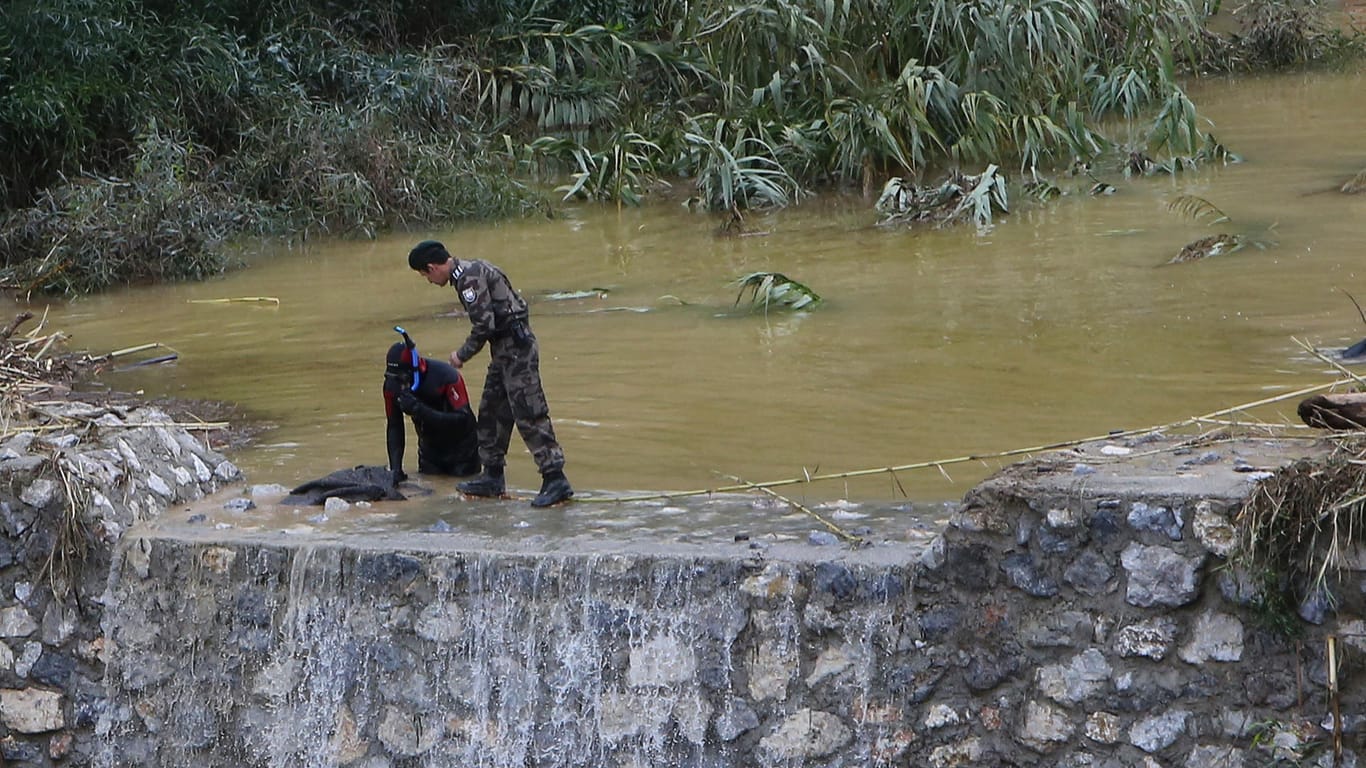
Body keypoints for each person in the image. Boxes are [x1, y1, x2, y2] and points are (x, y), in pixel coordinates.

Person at [407, 239, 574, 507]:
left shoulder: (468, 279)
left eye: (424, 274)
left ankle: (555, 478)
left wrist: (461, 355)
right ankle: (493, 476)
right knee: (491, 412)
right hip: (505, 351)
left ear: (432, 267)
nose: (427, 280)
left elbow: (485, 325)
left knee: (529, 413)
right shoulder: (471, 269)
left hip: (516, 350)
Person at [383, 335, 481, 484]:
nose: (398, 385)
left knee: (461, 495)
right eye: (392, 378)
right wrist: (396, 470)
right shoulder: (391, 386)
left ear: (415, 370)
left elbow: (463, 419)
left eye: (401, 379)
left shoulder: (446, 377)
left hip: (463, 449)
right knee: (432, 492)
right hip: (429, 451)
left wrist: (419, 409)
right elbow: (394, 425)